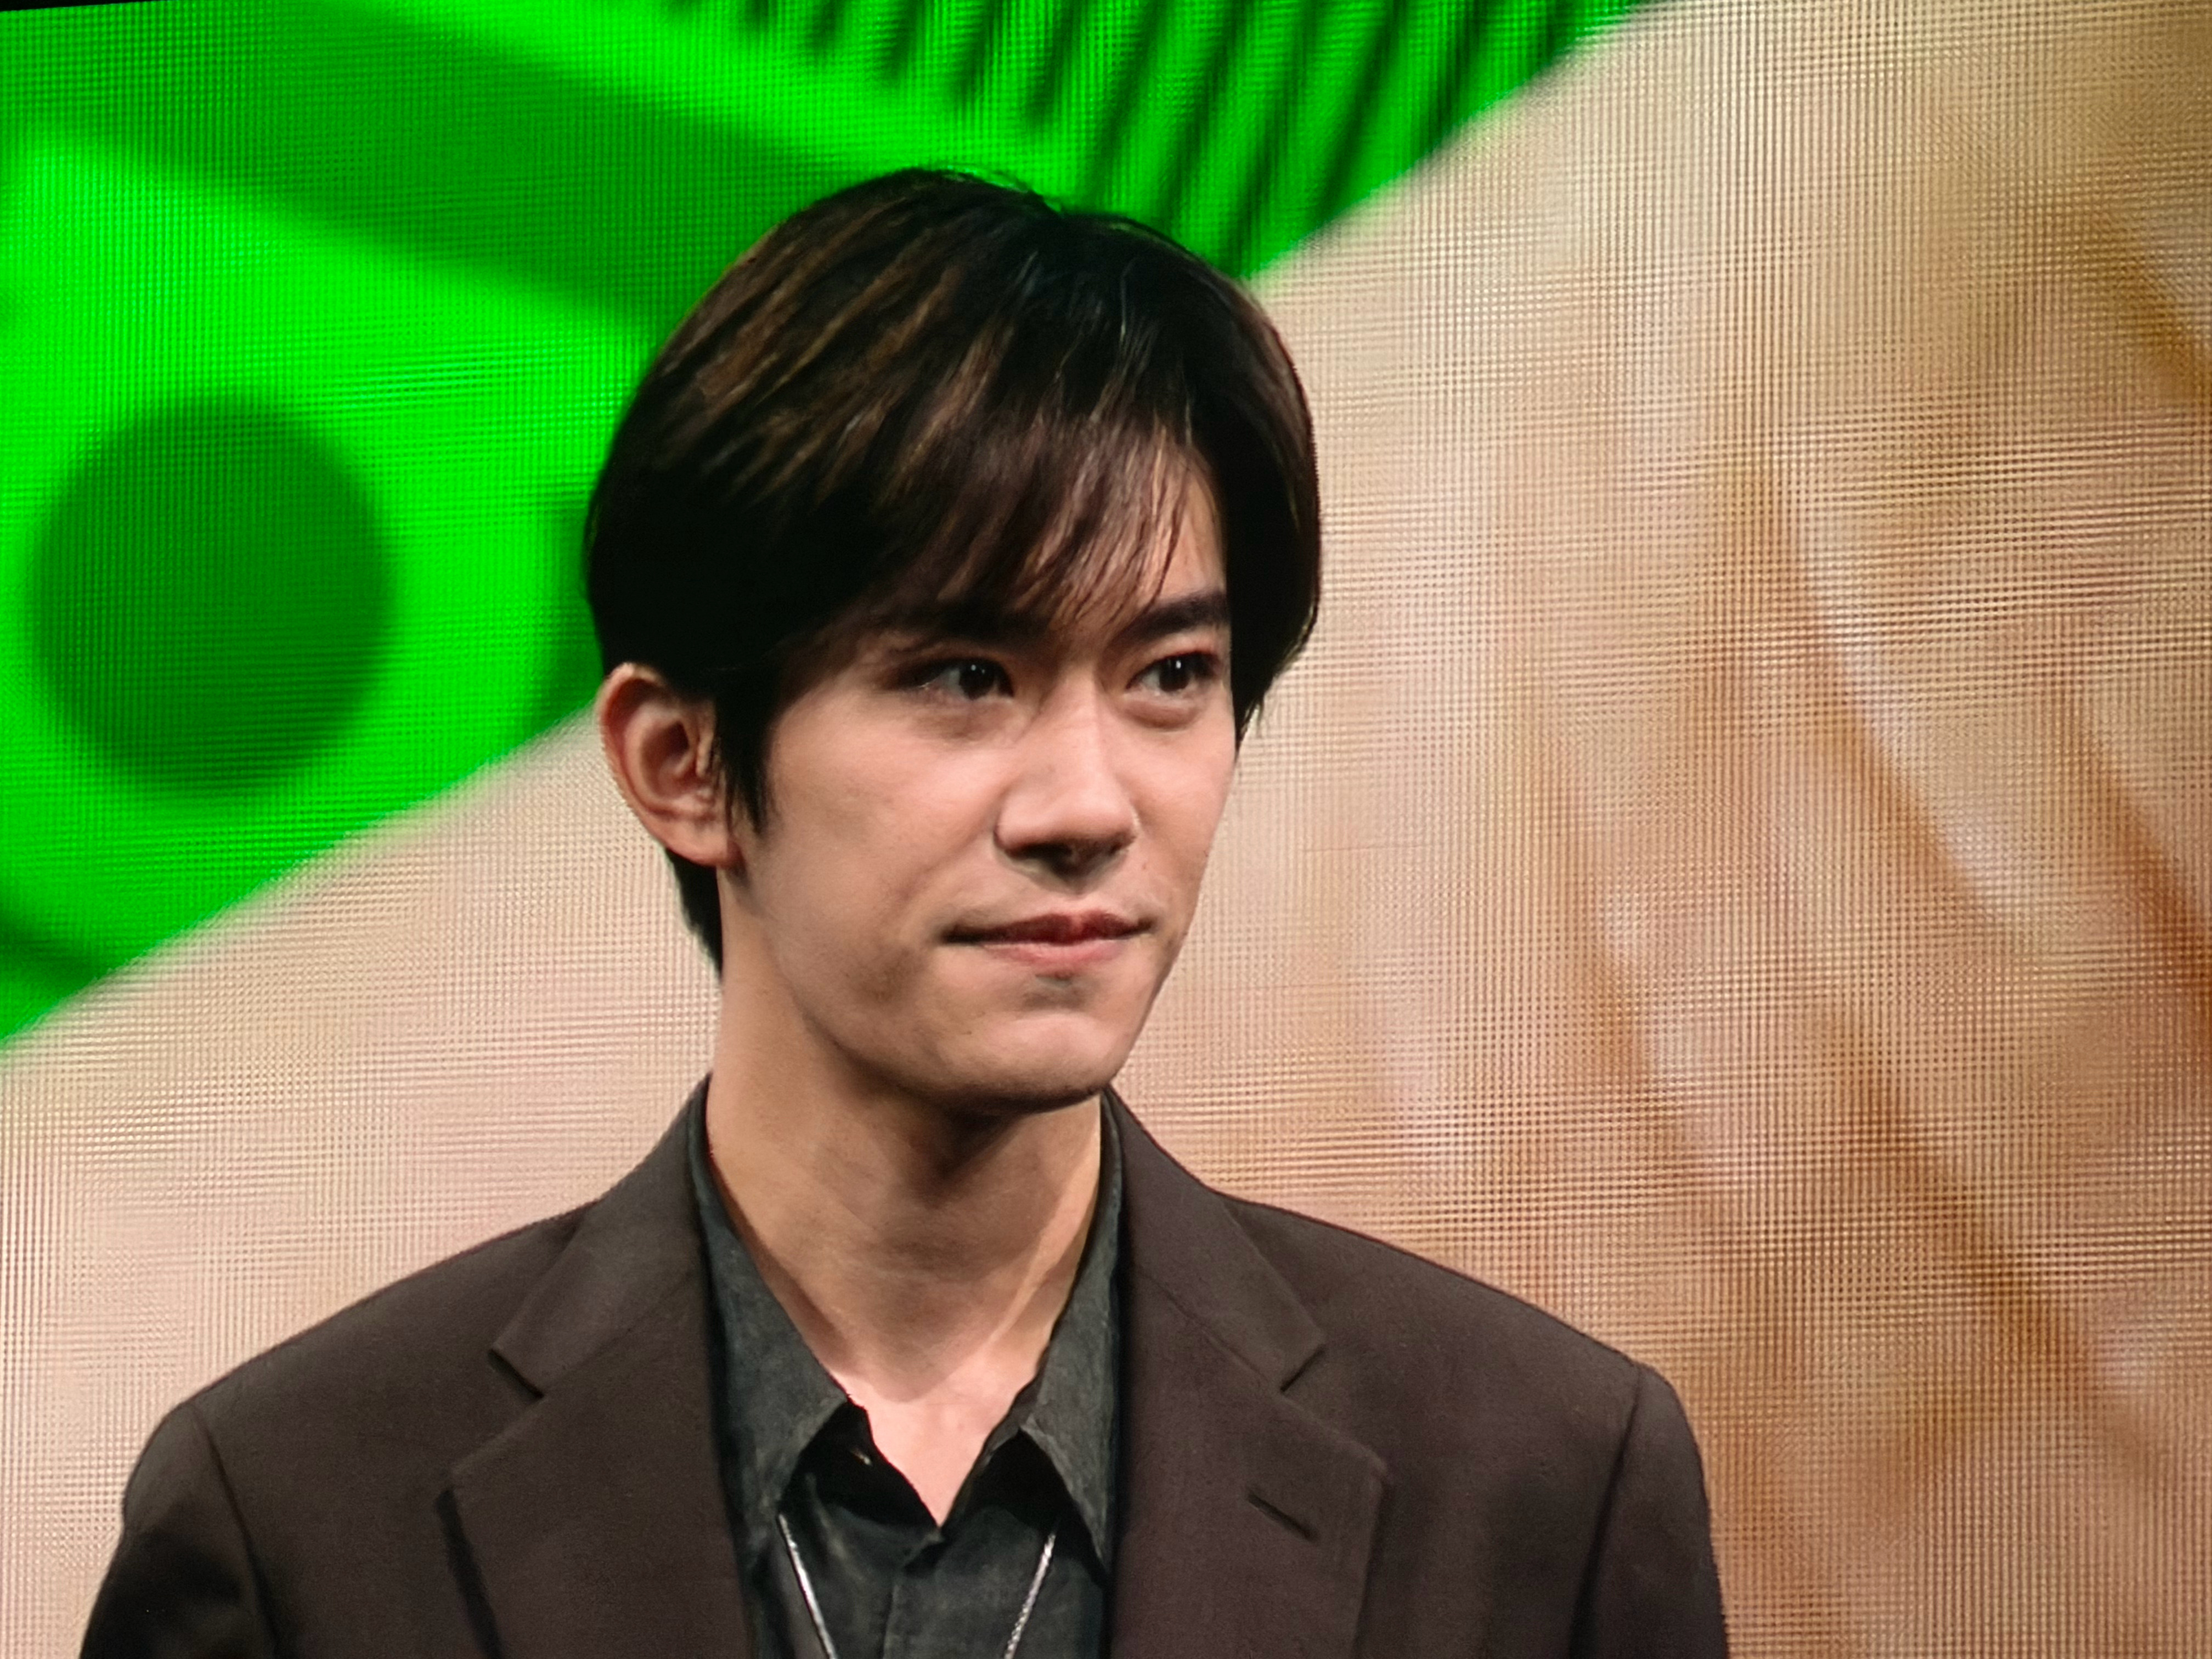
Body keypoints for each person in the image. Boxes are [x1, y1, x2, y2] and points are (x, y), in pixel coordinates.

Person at [82, 169, 1727, 1658]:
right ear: (682, 763)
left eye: (1170, 675)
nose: (1088, 805)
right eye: (964, 677)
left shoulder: (1535, 1490)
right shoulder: (301, 1523)